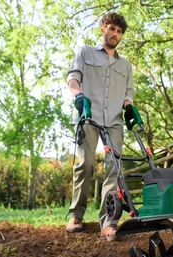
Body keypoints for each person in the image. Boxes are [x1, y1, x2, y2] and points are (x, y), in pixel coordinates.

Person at [65, 12, 134, 241]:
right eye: (111, 28)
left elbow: (128, 92)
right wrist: (78, 95)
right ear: (102, 29)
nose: (114, 34)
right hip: (89, 116)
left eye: (119, 31)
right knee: (85, 165)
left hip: (114, 120)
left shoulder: (125, 65)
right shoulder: (85, 52)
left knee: (114, 169)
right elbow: (73, 77)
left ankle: (109, 221)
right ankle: (76, 215)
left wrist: (129, 106)